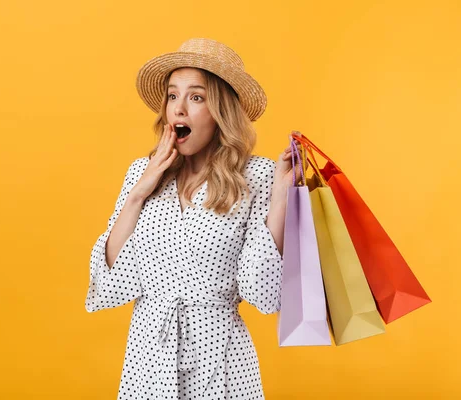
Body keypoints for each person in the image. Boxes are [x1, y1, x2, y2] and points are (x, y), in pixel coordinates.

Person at [85, 38, 304, 400]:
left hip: (220, 359)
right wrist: (139, 192)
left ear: (221, 111)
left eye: (196, 97)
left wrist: (281, 196)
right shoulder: (143, 173)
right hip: (147, 359)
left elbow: (262, 292)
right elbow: (109, 283)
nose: (179, 110)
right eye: (172, 96)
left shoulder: (258, 176)